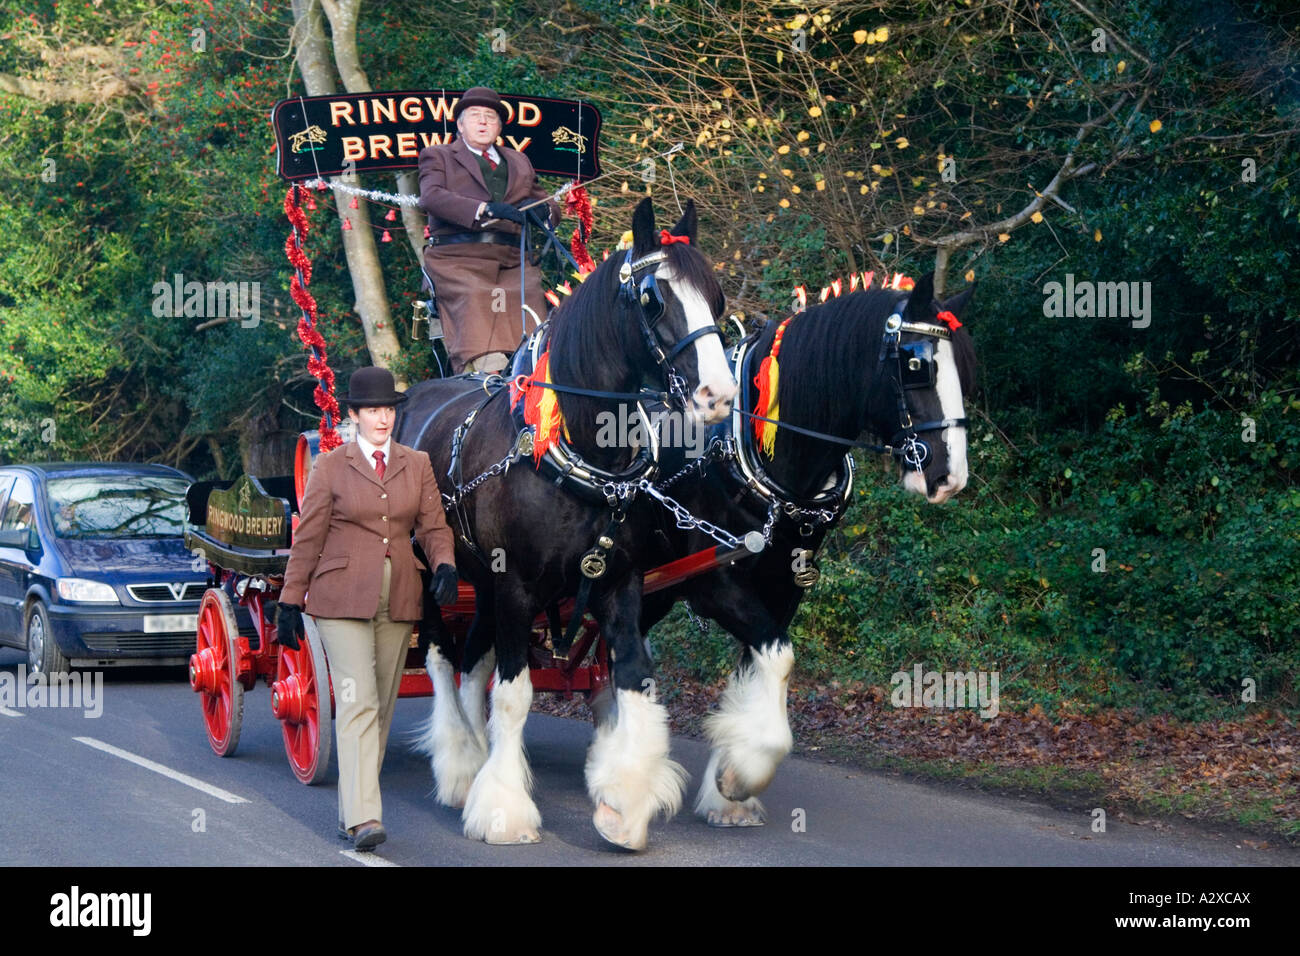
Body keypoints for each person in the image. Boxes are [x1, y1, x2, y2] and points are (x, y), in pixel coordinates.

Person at [274, 366, 459, 852]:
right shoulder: (330, 467)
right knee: (357, 701)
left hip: (399, 595)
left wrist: (444, 565)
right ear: (353, 415)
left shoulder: (416, 464)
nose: (382, 418)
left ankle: (350, 810)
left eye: (388, 410)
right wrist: (290, 601)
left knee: (380, 706)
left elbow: (434, 528)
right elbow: (308, 537)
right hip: (340, 600)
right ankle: (364, 818)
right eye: (372, 410)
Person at [417, 85, 561, 374]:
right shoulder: (438, 155)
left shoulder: (519, 160)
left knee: (533, 307)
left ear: (499, 127)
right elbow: (430, 197)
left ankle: (535, 376)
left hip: (513, 260)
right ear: (459, 125)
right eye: (475, 116)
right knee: (475, 297)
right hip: (459, 259)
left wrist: (544, 211)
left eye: (490, 117)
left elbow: (545, 200)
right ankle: (488, 379)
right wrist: (484, 209)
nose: (483, 122)